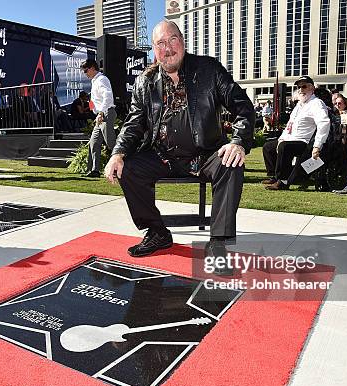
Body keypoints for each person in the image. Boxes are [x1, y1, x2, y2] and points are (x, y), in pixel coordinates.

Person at [104, 20, 254, 265]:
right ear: (154, 49)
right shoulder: (145, 81)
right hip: (162, 156)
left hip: (206, 155)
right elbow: (134, 122)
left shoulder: (208, 69)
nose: (168, 49)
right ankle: (157, 233)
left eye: (172, 40)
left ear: (182, 41)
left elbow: (243, 107)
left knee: (231, 163)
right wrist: (118, 153)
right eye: (161, 43)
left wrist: (238, 141)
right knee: (128, 168)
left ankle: (218, 243)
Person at [262, 76, 331, 190]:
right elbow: (290, 125)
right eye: (299, 87)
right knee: (268, 147)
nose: (300, 90)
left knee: (285, 147)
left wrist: (317, 146)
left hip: (305, 142)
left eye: (304, 86)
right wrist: (281, 139)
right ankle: (273, 175)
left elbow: (324, 123)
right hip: (291, 139)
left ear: (312, 88)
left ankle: (283, 181)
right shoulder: (299, 105)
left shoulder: (317, 103)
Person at [81, 59, 116, 178]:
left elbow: (108, 96)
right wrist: (93, 108)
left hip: (106, 113)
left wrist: (100, 113)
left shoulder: (101, 79)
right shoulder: (95, 81)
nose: (85, 73)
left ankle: (125, 167)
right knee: (94, 142)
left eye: (86, 71)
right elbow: (97, 101)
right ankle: (94, 170)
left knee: (111, 142)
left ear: (91, 68)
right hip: (100, 115)